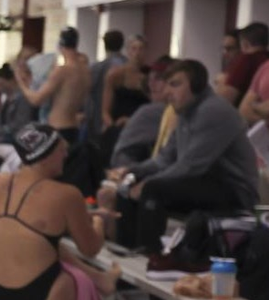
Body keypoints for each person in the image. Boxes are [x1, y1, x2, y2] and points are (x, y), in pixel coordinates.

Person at [0, 124, 124, 300]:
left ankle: (101, 279)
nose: (67, 155)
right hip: (45, 299)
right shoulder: (67, 194)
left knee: (46, 246)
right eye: (61, 150)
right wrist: (100, 217)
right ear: (44, 156)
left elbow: (23, 232)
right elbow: (91, 248)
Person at [108, 60, 258, 249]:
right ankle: (127, 250)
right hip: (204, 183)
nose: (167, 92)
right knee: (126, 185)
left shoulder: (212, 110)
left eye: (175, 84)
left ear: (197, 86)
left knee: (153, 189)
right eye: (167, 85)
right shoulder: (186, 113)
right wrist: (131, 172)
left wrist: (147, 183)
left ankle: (147, 254)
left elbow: (190, 167)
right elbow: (164, 159)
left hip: (235, 192)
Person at [17, 28, 91, 140]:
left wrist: (21, 83)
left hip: (58, 128)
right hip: (74, 128)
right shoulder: (85, 70)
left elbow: (36, 100)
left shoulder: (62, 71)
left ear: (60, 45)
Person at [84, 28, 126, 140]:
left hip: (99, 120)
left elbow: (87, 94)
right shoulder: (129, 68)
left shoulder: (96, 69)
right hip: (124, 121)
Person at [217, 21, 267, 105]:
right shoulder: (266, 61)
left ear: (244, 45)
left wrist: (222, 82)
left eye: (229, 49)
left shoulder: (246, 60)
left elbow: (224, 100)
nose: (225, 54)